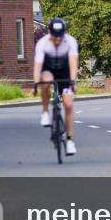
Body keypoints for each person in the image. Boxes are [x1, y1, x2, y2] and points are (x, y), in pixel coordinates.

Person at [33, 17, 79, 155]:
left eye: (60, 36)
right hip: (48, 68)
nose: (58, 39)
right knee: (46, 82)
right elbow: (38, 66)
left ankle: (70, 140)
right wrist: (36, 83)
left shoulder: (70, 41)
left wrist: (72, 81)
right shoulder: (42, 43)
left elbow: (73, 63)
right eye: (55, 36)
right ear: (50, 33)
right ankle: (46, 112)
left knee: (69, 105)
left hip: (64, 70)